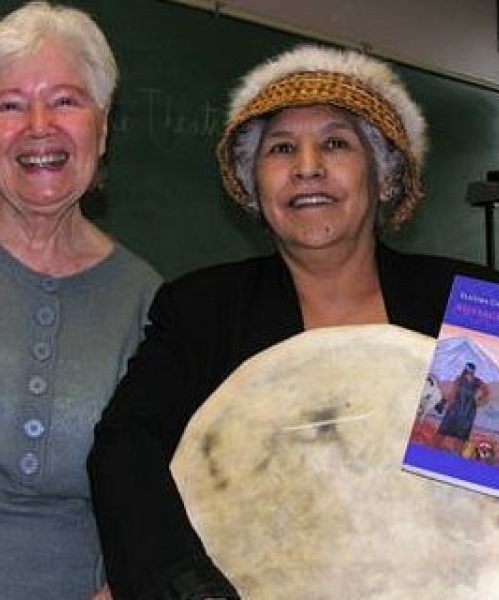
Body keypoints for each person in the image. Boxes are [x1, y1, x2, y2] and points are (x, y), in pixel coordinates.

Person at [87, 44, 499, 599]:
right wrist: (177, 584)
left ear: (385, 175)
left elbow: (468, 496)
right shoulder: (205, 311)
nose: (308, 167)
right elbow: (125, 449)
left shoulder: (465, 306)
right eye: (282, 148)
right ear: (254, 185)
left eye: (335, 142)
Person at [0, 3, 160, 600]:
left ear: (103, 124)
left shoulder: (147, 301)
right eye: (10, 105)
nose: (39, 125)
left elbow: (156, 494)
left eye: (66, 100)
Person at [434, 362, 489, 454]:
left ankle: (456, 456)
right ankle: (433, 452)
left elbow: (486, 391)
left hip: (468, 411)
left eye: (470, 370)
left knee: (462, 436)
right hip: (456, 408)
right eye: (467, 369)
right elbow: (453, 393)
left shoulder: (477, 381)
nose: (468, 371)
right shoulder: (459, 379)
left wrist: (479, 399)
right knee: (443, 431)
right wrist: (445, 403)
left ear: (473, 371)